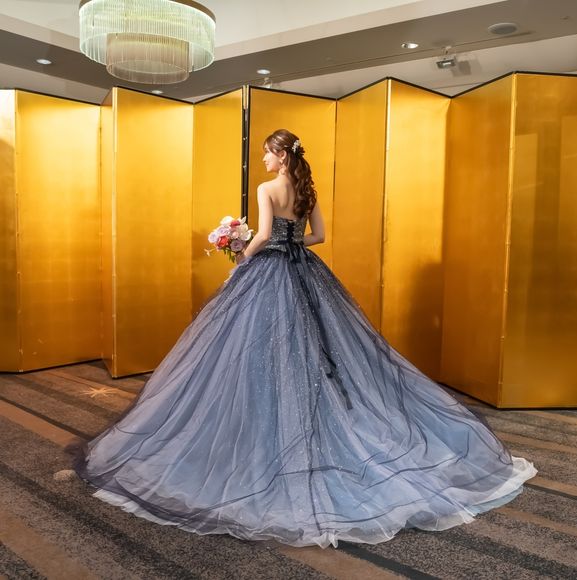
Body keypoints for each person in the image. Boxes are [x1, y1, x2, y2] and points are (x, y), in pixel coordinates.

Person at [71, 129, 536, 549]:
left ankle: (264, 426)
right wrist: (288, 243)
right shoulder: (307, 190)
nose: (264, 160)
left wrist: (241, 254)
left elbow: (264, 234)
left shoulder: (266, 189)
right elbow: (319, 237)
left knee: (258, 348)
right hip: (306, 272)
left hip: (269, 273)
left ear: (280, 155)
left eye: (267, 153)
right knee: (315, 348)